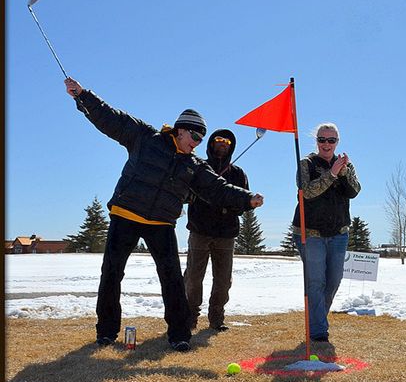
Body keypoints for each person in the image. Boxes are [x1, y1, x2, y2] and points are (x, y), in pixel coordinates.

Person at [64, 78, 264, 352]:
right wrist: (82, 96)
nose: (198, 143)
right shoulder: (145, 137)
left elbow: (217, 188)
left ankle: (179, 334)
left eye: (201, 139)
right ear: (181, 131)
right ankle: (107, 331)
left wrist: (246, 198)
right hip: (126, 214)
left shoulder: (193, 165)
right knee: (111, 274)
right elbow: (110, 118)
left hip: (161, 223)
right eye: (195, 136)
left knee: (172, 279)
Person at [292, 122, 361, 343]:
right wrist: (331, 174)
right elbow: (307, 192)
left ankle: (317, 319)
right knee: (315, 281)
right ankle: (319, 331)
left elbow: (355, 191)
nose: (327, 144)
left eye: (331, 140)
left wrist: (343, 173)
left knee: (334, 280)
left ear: (337, 142)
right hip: (310, 232)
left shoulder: (345, 165)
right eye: (322, 139)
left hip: (339, 233)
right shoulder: (306, 164)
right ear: (317, 141)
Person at [184, 129, 250, 332]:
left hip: (226, 234)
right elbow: (185, 194)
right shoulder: (198, 167)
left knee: (223, 280)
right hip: (199, 231)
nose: (223, 143)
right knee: (194, 277)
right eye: (219, 140)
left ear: (231, 146)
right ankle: (189, 317)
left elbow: (245, 202)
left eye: (227, 141)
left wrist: (228, 204)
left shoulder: (238, 173)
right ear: (211, 143)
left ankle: (217, 318)